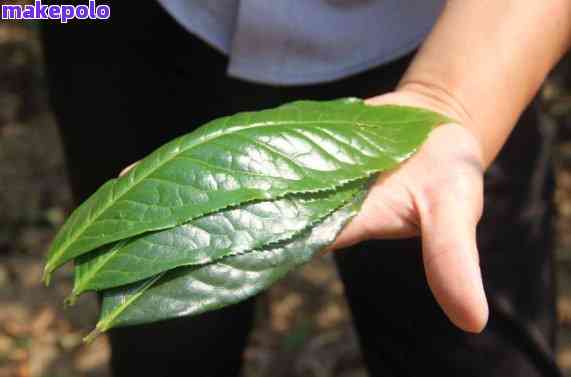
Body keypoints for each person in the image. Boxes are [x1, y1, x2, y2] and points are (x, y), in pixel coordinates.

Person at [40, 1, 571, 376]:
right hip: (124, 27)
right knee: (160, 341)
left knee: (468, 352)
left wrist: (452, 98)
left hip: (445, 42)